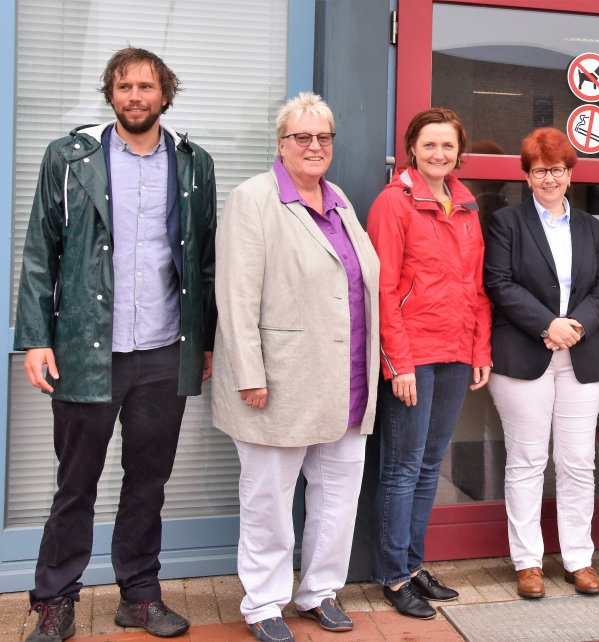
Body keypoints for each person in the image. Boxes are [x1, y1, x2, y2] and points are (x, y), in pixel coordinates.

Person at [15, 47, 216, 641]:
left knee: (148, 481)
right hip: (85, 349)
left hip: (161, 351)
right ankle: (54, 600)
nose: (135, 96)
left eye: (146, 86)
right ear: (111, 93)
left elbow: (203, 260)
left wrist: (201, 344)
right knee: (75, 482)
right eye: (124, 86)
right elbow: (37, 253)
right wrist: (35, 338)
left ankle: (140, 595)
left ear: (164, 94)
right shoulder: (70, 158)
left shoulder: (193, 164)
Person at [213, 93, 380, 642]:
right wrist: (249, 374)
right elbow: (236, 296)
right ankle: (263, 603)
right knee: (268, 499)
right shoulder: (253, 199)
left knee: (336, 496)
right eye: (302, 137)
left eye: (324, 137)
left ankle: (319, 591)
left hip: (346, 382)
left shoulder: (341, 202)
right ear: (281, 144)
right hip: (279, 381)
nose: (314, 146)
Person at [367, 108, 492, 619]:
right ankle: (393, 576)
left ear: (458, 153)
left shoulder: (464, 204)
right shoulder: (392, 204)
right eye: (430, 145)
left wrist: (479, 349)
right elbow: (384, 288)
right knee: (401, 469)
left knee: (427, 469)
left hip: (456, 353)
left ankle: (414, 565)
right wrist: (398, 363)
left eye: (448, 147)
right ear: (412, 148)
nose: (439, 154)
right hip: (414, 357)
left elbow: (477, 286)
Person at [483, 128, 599, 599]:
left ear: (570, 173)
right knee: (527, 460)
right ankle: (528, 562)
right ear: (527, 174)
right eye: (540, 171)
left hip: (580, 356)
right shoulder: (506, 223)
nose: (549, 179)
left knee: (578, 462)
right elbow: (499, 283)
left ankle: (579, 559)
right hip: (523, 356)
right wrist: (547, 325)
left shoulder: (591, 227)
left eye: (557, 170)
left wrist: (574, 325)